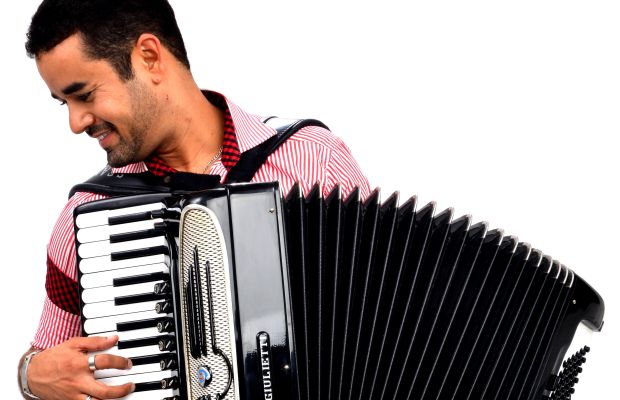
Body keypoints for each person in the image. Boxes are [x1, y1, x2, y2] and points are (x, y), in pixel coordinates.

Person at [18, 0, 371, 399]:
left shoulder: (315, 159)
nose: (75, 122)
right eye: (64, 103)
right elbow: (51, 359)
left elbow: (389, 311)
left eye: (83, 94)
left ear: (149, 57)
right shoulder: (87, 221)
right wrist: (30, 374)